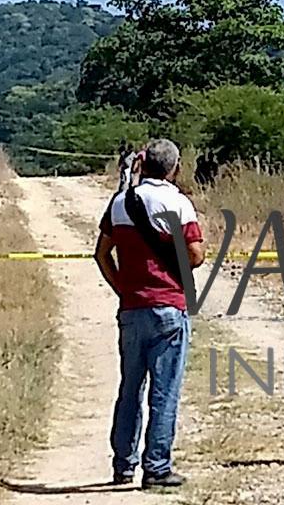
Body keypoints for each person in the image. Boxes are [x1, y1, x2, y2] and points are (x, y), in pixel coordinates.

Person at [94, 138, 205, 489]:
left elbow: (101, 254)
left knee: (130, 388)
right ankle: (156, 467)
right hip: (169, 306)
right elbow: (196, 254)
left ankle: (122, 465)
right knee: (164, 391)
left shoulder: (120, 203)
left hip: (131, 308)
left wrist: (123, 288)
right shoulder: (177, 203)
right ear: (174, 167)